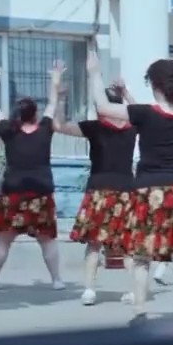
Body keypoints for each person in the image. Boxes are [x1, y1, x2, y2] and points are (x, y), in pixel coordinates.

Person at [96, 56, 173, 322]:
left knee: (141, 255)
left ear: (153, 84)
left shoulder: (145, 113)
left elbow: (103, 107)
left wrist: (93, 73)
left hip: (148, 190)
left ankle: (139, 310)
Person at [0, 63, 64, 292]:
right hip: (40, 193)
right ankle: (56, 280)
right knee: (47, 240)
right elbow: (52, 103)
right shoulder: (45, 129)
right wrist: (55, 77)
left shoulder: (9, 131)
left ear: (17, 114)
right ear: (35, 114)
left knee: (3, 240)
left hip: (13, 193)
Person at [58, 63, 135, 306]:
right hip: (126, 190)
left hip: (99, 189)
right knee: (128, 244)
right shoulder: (132, 127)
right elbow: (141, 113)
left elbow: (59, 126)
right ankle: (134, 289)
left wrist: (61, 98)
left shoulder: (96, 127)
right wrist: (126, 92)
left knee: (93, 243)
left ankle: (89, 290)